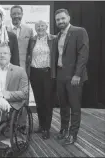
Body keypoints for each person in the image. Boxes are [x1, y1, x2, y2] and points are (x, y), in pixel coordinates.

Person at [54, 9, 89, 145]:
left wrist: (77, 75)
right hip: (60, 75)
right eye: (58, 20)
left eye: (63, 18)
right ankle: (63, 129)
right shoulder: (58, 35)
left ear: (68, 17)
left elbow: (83, 54)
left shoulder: (79, 31)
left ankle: (73, 134)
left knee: (74, 107)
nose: (60, 21)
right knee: (63, 106)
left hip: (74, 76)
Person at [27, 20, 57, 139]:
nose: (40, 28)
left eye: (42, 26)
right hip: (34, 73)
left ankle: (46, 128)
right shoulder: (32, 40)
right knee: (39, 101)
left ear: (47, 26)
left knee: (47, 101)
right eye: (38, 26)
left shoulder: (53, 39)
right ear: (35, 28)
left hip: (48, 73)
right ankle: (40, 126)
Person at [7, 5, 34, 70]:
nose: (16, 16)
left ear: (22, 14)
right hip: (8, 66)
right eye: (14, 14)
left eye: (19, 14)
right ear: (10, 15)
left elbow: (31, 50)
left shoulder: (29, 30)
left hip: (24, 67)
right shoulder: (5, 30)